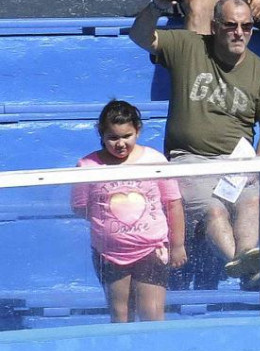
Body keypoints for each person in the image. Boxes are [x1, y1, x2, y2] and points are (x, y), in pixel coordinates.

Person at [129, 0, 260, 287]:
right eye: (230, 25)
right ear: (214, 26)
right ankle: (249, 271)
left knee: (251, 202)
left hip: (240, 161)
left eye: (247, 26)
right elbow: (139, 36)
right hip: (190, 159)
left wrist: (257, 166)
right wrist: (158, 5)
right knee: (214, 210)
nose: (240, 32)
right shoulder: (189, 46)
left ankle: (248, 260)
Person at [71, 101, 187, 322]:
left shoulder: (154, 160)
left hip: (151, 249)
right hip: (109, 253)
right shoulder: (87, 165)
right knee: (121, 315)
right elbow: (79, 207)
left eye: (127, 136)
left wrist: (178, 245)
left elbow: (173, 203)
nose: (120, 144)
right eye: (113, 137)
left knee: (151, 314)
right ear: (101, 134)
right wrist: (111, 226)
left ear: (138, 131)